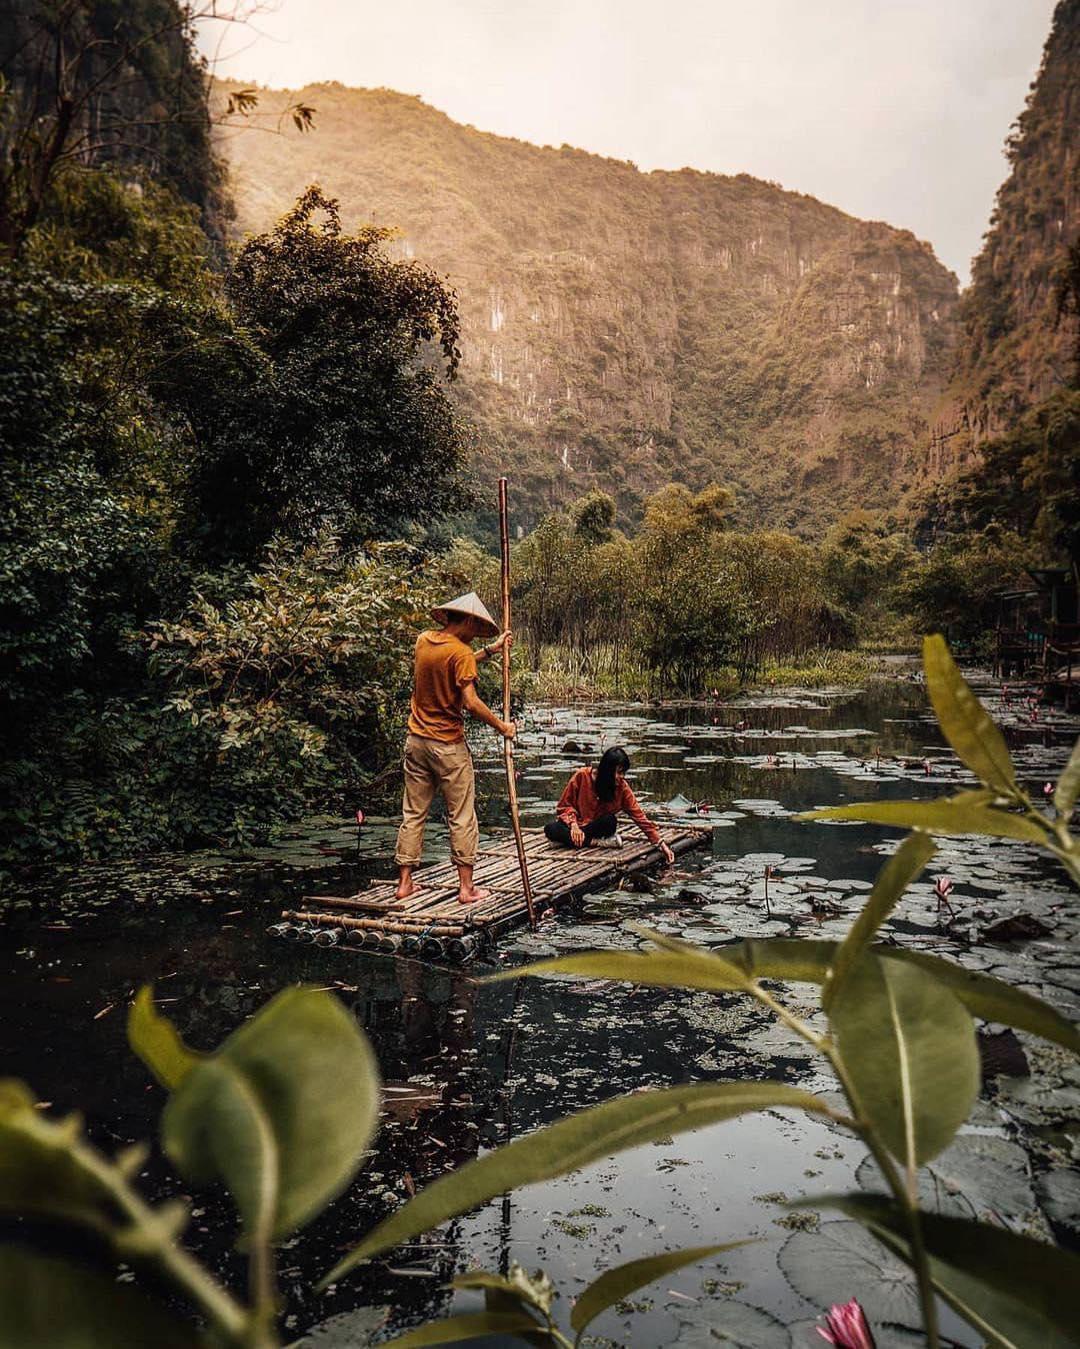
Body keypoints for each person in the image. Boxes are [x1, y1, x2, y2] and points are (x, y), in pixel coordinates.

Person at [395, 591, 515, 905]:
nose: (476, 633)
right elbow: (471, 702)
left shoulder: (424, 641)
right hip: (447, 744)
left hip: (416, 741)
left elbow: (451, 664)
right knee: (461, 815)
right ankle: (466, 889)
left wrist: (490, 650)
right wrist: (503, 726)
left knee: (413, 813)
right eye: (476, 628)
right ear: (466, 621)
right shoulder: (460, 652)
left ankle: (405, 883)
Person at [545, 746, 675, 863]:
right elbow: (564, 806)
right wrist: (573, 825)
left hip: (597, 827)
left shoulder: (622, 788)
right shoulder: (582, 776)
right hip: (576, 825)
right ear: (607, 770)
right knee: (550, 829)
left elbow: (639, 817)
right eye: (619, 772)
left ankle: (571, 841)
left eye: (624, 772)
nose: (622, 777)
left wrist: (661, 844)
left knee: (610, 821)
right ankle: (593, 843)